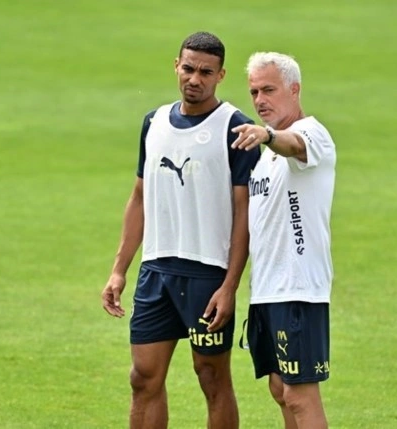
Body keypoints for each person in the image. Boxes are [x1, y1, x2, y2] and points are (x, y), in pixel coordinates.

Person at [101, 31, 260, 429]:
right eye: (188, 69)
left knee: (212, 378)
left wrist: (230, 285)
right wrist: (119, 269)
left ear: (221, 75)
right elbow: (139, 197)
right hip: (156, 272)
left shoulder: (236, 129)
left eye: (206, 72)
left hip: (207, 275)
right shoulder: (153, 123)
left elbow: (245, 213)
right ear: (176, 66)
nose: (195, 79)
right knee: (143, 378)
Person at [231, 52, 337, 429]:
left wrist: (268, 135)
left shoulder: (312, 133)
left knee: (299, 395)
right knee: (280, 389)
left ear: (294, 89)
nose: (259, 100)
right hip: (267, 291)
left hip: (298, 290)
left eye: (269, 90)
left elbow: (293, 145)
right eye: (254, 92)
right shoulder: (264, 159)